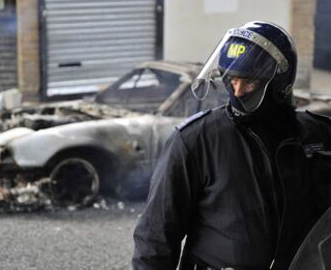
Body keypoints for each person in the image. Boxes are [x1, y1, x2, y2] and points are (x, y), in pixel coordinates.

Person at [132, 21, 331, 270]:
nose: (236, 91)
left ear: (281, 82)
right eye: (230, 79)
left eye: (249, 82)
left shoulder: (320, 136)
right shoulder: (196, 141)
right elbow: (155, 238)